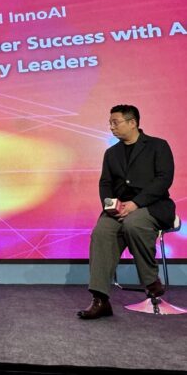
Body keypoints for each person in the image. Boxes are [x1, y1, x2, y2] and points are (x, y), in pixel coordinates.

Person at [78, 105, 176, 319]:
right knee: (102, 232)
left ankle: (150, 280)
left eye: (116, 122)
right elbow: (105, 183)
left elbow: (164, 179)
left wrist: (136, 203)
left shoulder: (158, 146)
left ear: (133, 123)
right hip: (120, 209)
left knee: (134, 223)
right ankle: (100, 299)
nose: (111, 127)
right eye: (110, 123)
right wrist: (111, 206)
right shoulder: (111, 153)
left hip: (152, 206)